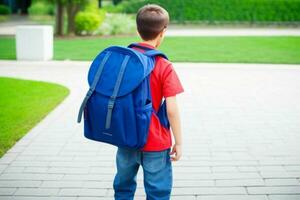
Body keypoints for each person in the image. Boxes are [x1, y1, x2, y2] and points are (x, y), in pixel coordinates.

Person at [113, 4, 184, 200]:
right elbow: (172, 110)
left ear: (137, 30)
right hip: (156, 141)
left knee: (123, 188)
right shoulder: (164, 65)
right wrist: (179, 142)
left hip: (126, 137)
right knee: (158, 193)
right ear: (163, 32)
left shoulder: (123, 60)